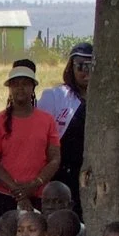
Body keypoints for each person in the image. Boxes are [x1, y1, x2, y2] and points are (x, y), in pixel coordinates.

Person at [0, 60, 60, 231]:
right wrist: (18, 192)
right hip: (3, 195)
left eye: (26, 84)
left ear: (33, 87)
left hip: (38, 195)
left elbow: (54, 159)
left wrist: (34, 184)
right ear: (9, 89)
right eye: (16, 84)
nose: (21, 88)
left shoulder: (46, 120)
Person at [38, 43, 93, 207]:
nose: (86, 71)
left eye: (91, 66)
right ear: (71, 68)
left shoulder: (104, 100)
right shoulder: (55, 96)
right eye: (81, 66)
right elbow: (42, 137)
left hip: (92, 171)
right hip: (61, 170)